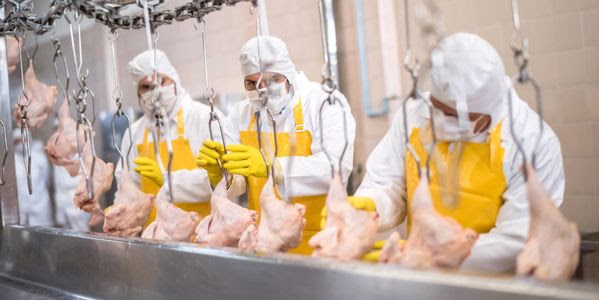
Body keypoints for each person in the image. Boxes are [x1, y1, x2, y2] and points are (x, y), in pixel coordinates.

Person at [349, 33, 564, 273]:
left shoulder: (532, 141)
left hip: (494, 285)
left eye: (456, 117)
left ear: (489, 109)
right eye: (438, 110)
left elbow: (517, 238)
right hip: (422, 280)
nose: (441, 121)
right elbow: (388, 182)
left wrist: (436, 254)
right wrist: (369, 205)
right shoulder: (415, 112)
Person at [196, 36, 356, 255]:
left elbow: (335, 169)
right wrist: (220, 176)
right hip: (263, 242)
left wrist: (273, 167)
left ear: (287, 75)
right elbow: (239, 183)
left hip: (321, 241)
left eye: (270, 80)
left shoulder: (322, 103)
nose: (261, 90)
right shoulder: (240, 114)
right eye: (251, 83)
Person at [115, 49, 234, 223]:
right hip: (154, 236)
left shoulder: (206, 118)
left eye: (161, 81)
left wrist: (169, 182)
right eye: (146, 87)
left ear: (175, 80)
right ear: (138, 93)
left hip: (206, 236)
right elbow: (126, 189)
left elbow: (227, 183)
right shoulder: (134, 133)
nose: (155, 90)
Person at [14, 130, 53, 227]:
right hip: (21, 209)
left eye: (23, 140)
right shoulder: (13, 160)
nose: (21, 144)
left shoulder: (40, 158)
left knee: (42, 237)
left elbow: (47, 179)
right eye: (17, 141)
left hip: (40, 206)